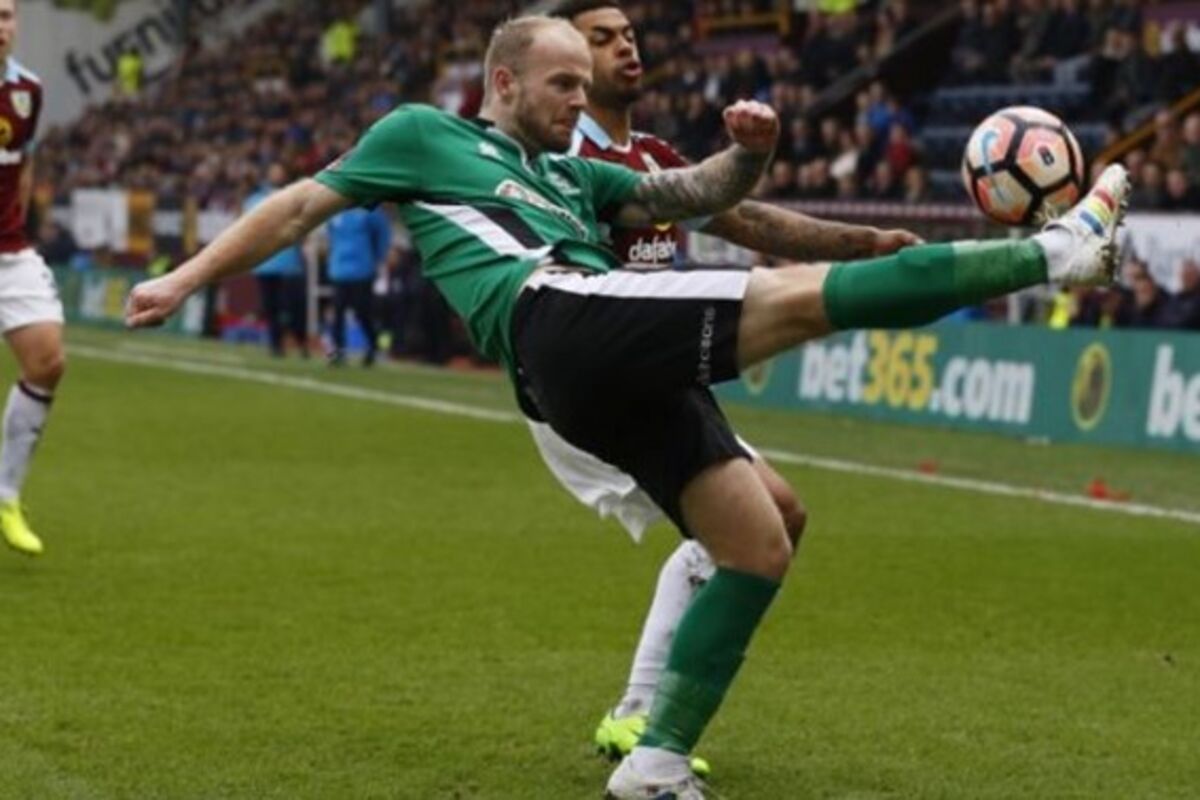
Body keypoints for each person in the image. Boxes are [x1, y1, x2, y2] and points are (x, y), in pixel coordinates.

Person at [125, 16, 1129, 799]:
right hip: (556, 310)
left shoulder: (575, 173)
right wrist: (185, 277)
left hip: (596, 366)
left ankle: (655, 759)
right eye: (562, 83)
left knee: (761, 540)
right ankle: (1057, 254)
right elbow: (300, 204)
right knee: (798, 300)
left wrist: (752, 150)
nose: (580, 99)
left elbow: (693, 193)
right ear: (504, 83)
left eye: (584, 83)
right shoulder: (423, 135)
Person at [546, 0, 921, 777]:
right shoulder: (560, 158)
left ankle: (636, 710)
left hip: (657, 374)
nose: (625, 47)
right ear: (566, 63)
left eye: (629, 35)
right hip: (601, 385)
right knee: (754, 534)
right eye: (601, 39)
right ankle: (648, 727)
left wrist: (865, 243)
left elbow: (743, 219)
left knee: (778, 515)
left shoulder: (649, 153)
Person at [0, 0, 66, 557]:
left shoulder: (28, 90)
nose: (0, 27)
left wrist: (19, 225)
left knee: (47, 360)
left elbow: (23, 165)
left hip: (8, 249)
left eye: (5, 15)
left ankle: (5, 496)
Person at [247, 163, 308, 357]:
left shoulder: (294, 195)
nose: (276, 175)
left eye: (279, 172)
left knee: (293, 307)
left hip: (288, 262)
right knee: (271, 307)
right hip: (266, 263)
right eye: (273, 172)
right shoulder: (255, 199)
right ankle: (276, 345)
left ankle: (300, 341)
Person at [324, 204, 391, 366]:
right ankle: (338, 352)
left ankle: (373, 347)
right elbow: (330, 236)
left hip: (362, 270)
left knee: (362, 312)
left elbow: (382, 235)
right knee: (338, 312)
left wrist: (378, 259)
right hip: (339, 270)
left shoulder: (370, 210)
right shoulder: (334, 211)